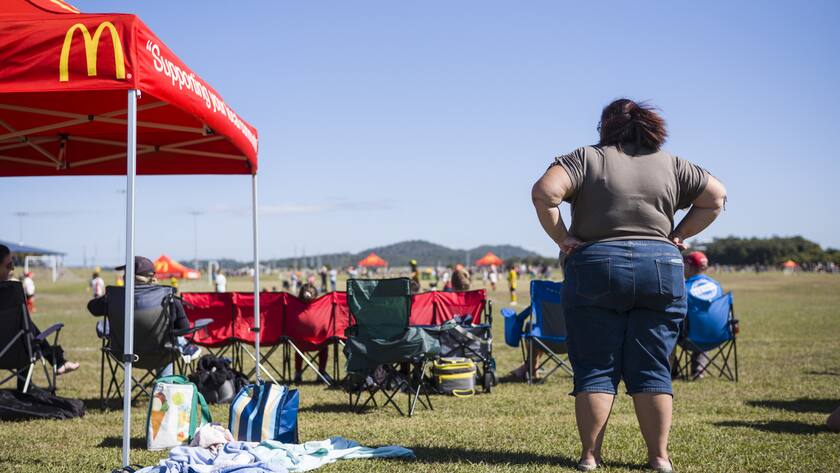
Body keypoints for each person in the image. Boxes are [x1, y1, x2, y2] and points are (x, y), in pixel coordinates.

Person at [531, 98, 726, 472]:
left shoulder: (586, 158)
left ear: (604, 127)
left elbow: (545, 193)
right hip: (662, 266)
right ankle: (659, 458)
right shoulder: (673, 164)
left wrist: (563, 239)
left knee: (595, 367)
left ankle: (590, 457)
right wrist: (679, 235)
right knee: (653, 366)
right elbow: (715, 197)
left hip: (595, 264)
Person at [87, 256, 201, 375]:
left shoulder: (113, 298)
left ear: (127, 277)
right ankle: (163, 388)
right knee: (168, 345)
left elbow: (92, 308)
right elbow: (184, 328)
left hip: (123, 354)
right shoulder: (168, 298)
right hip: (159, 355)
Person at [0, 244, 79, 378]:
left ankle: (58, 362)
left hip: (10, 348)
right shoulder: (11, 292)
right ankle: (24, 394)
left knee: (24, 328)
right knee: (25, 338)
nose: (12, 269)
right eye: (9, 265)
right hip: (15, 353)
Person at [681, 251, 723, 377]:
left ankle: (670, 370)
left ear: (688, 266)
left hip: (692, 339)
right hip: (718, 336)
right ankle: (698, 370)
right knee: (702, 325)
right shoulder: (716, 285)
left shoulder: (684, 287)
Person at [293, 282, 330, 384]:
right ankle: (321, 373)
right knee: (325, 344)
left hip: (299, 344)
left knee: (298, 345)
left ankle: (298, 372)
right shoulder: (322, 307)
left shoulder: (293, 306)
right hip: (320, 343)